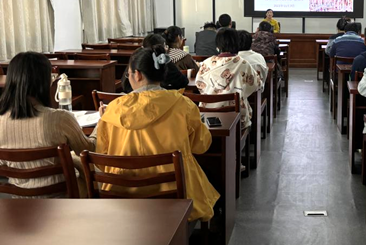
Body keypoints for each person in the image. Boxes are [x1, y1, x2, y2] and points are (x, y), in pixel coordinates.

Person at [97, 45, 219, 221]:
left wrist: (104, 119)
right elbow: (201, 146)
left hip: (122, 194)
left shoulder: (113, 110)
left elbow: (101, 157)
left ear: (137, 75)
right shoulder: (183, 104)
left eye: (128, 74)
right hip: (176, 193)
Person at [0, 52, 96, 195]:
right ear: (43, 82)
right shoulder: (60, 118)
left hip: (18, 199)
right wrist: (101, 126)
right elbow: (87, 150)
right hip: (61, 198)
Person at [196, 29, 261, 129]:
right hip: (236, 117)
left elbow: (200, 85)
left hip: (207, 115)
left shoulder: (206, 63)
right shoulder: (243, 64)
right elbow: (256, 84)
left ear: (217, 45)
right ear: (236, 43)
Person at [121, 34, 188, 93]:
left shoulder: (136, 61)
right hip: (165, 98)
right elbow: (183, 82)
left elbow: (125, 85)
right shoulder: (165, 63)